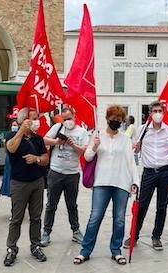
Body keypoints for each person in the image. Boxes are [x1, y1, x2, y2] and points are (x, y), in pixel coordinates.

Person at [73, 105, 139, 266]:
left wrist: (135, 181)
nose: (115, 121)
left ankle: (116, 250)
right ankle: (85, 251)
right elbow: (88, 157)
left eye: (119, 119)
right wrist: (94, 146)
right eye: (113, 118)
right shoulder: (97, 135)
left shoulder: (125, 139)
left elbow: (131, 161)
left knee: (119, 219)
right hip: (101, 182)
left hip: (121, 183)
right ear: (107, 118)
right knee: (95, 217)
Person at [123, 101, 168, 251]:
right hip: (148, 172)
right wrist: (135, 148)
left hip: (166, 172)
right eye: (155, 111)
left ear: (164, 112)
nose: (158, 113)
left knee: (162, 206)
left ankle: (156, 237)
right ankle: (134, 235)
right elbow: (134, 150)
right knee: (141, 205)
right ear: (150, 114)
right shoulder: (142, 130)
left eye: (160, 110)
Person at [4, 108, 49, 266]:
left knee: (36, 217)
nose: (37, 121)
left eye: (37, 118)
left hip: (37, 182)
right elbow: (11, 148)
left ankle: (35, 245)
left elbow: (45, 158)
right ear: (24, 121)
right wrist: (21, 131)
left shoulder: (38, 138)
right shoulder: (12, 135)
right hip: (19, 183)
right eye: (33, 119)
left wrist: (36, 159)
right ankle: (11, 248)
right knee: (16, 218)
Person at [40, 108, 88, 246]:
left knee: (72, 204)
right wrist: (56, 142)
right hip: (55, 171)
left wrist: (73, 145)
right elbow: (44, 140)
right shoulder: (57, 127)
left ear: (74, 116)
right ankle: (46, 232)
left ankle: (76, 231)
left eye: (69, 118)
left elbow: (84, 151)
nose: (67, 122)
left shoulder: (81, 132)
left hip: (72, 173)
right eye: (65, 119)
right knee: (51, 205)